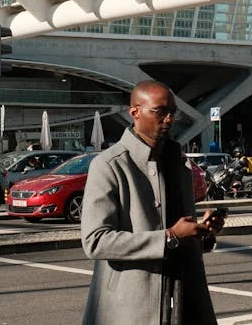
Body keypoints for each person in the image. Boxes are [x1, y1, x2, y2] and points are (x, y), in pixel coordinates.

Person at [81, 80, 224, 324]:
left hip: (183, 296)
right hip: (132, 305)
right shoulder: (110, 165)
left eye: (172, 112)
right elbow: (95, 241)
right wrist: (169, 236)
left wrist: (203, 232)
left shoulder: (179, 166)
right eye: (160, 112)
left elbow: (180, 236)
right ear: (134, 112)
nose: (169, 119)